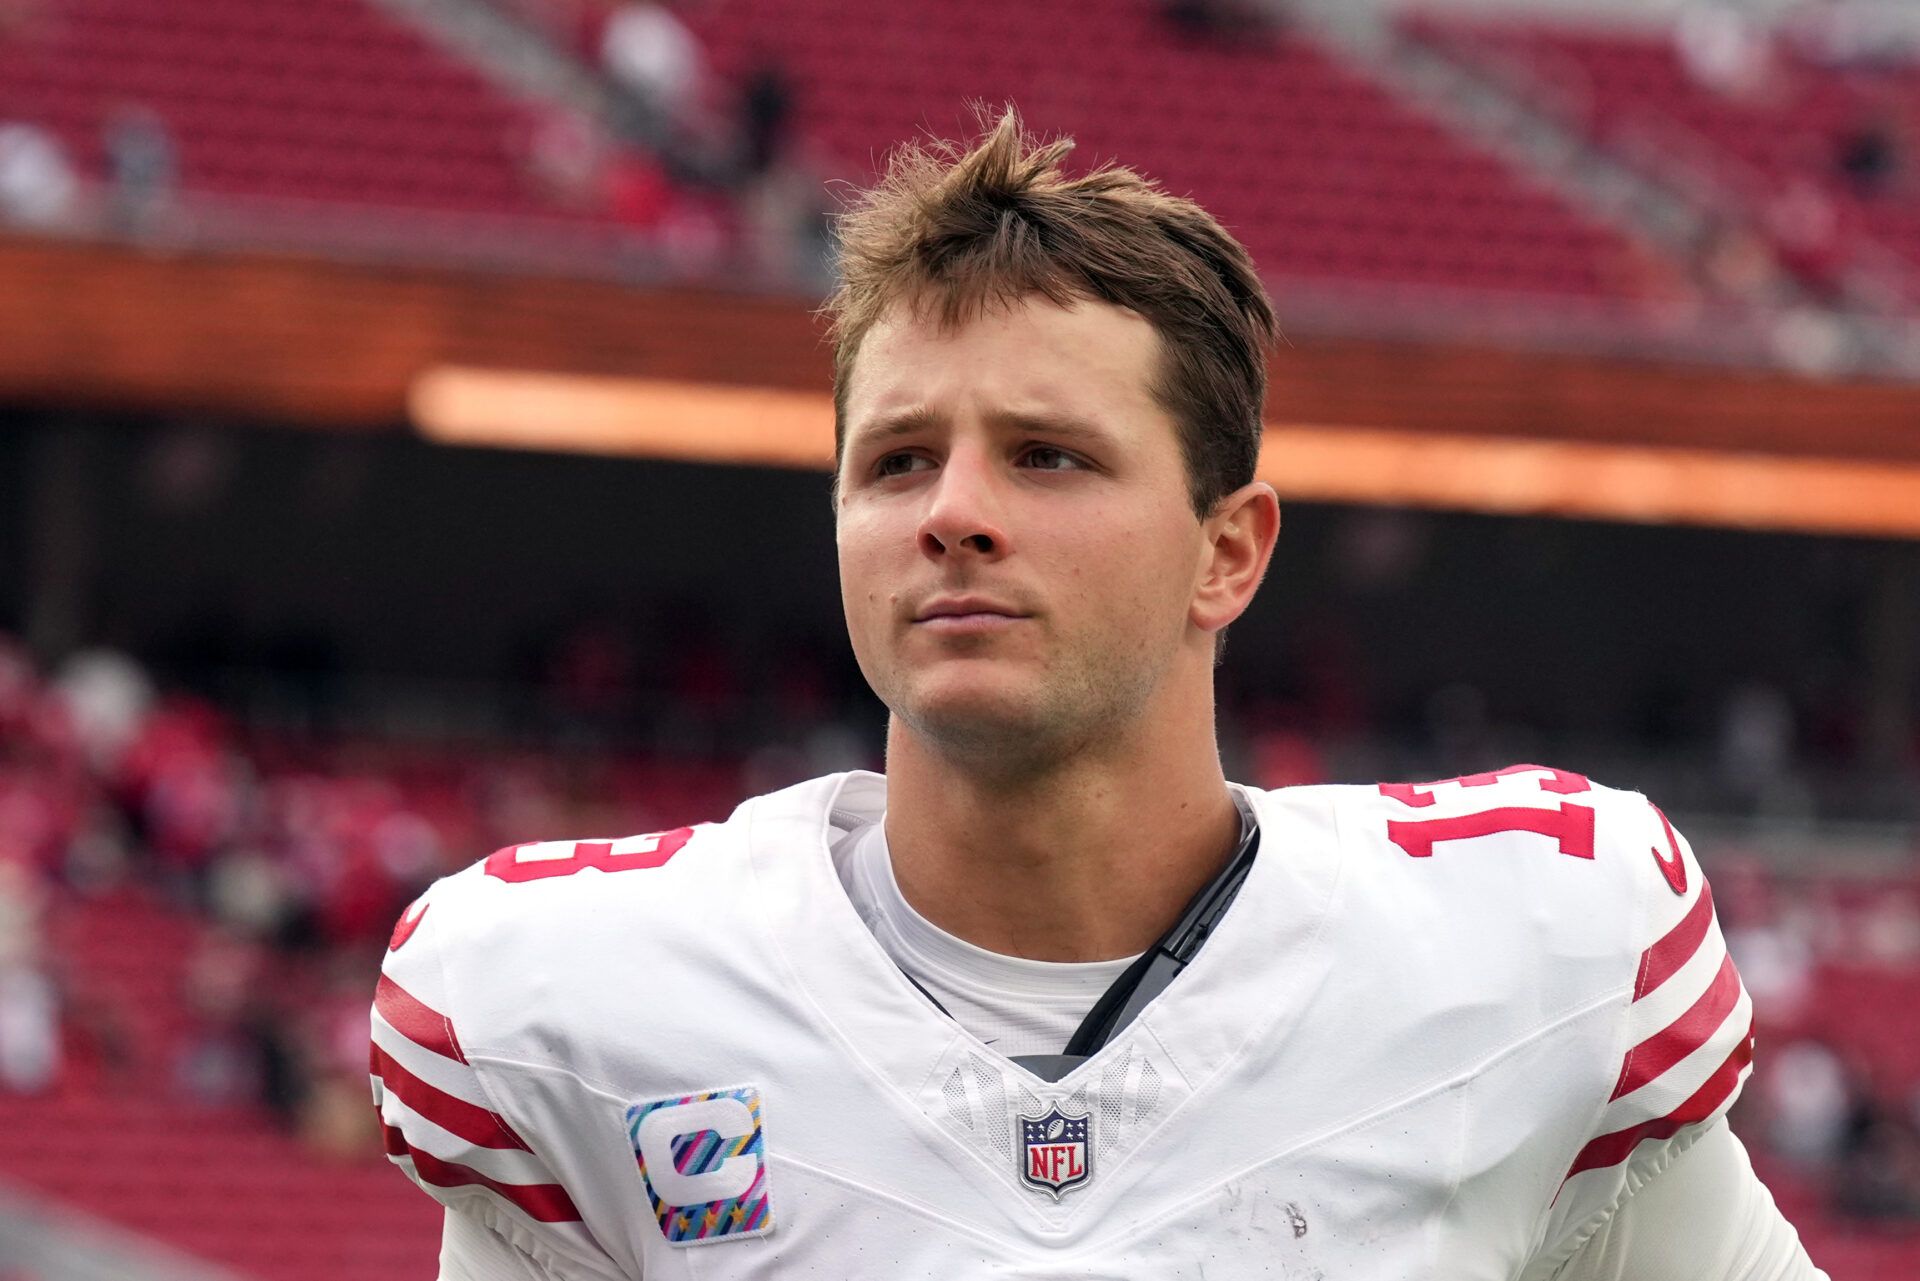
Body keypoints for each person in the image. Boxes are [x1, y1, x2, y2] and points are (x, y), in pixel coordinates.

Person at [371, 109, 1827, 1279]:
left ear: (1228, 549)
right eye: (895, 461)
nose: (953, 511)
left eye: (1045, 455)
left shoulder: (1523, 965)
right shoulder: (599, 1004)